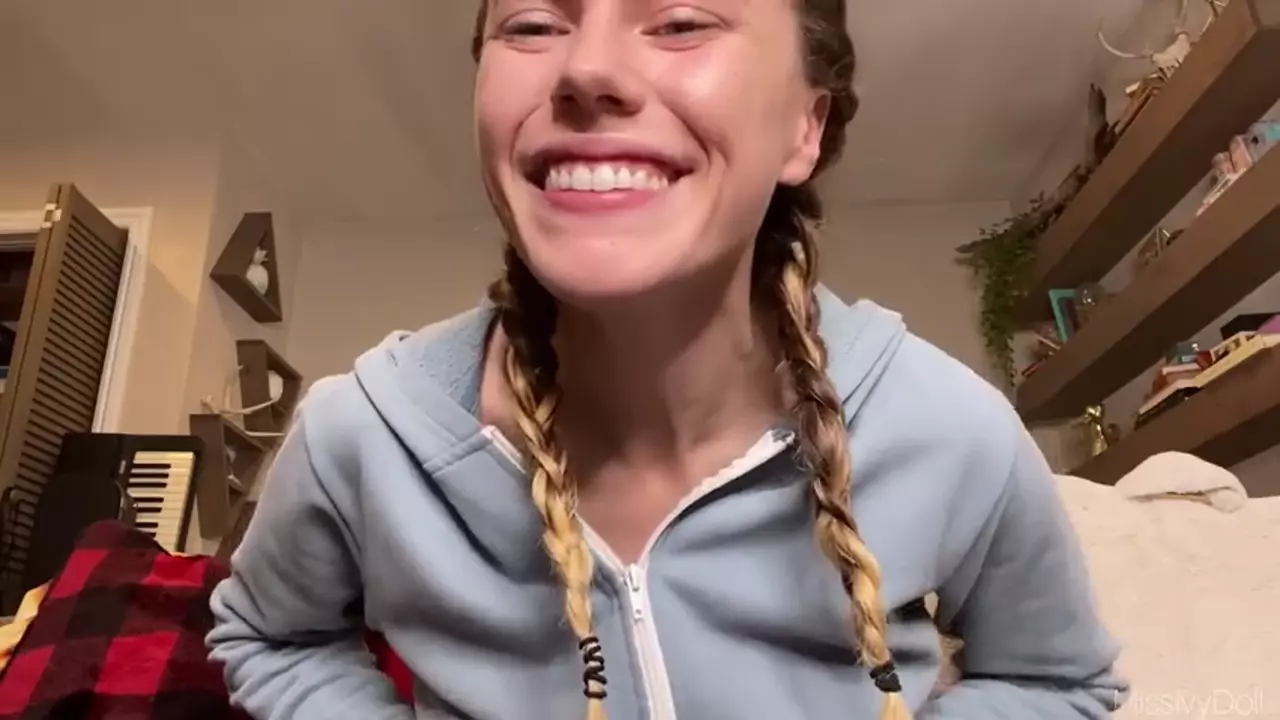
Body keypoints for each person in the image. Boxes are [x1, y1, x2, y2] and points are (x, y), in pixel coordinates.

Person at [206, 1, 1128, 718]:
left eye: (682, 20)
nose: (587, 69)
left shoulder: (951, 429)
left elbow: (1058, 682)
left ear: (804, 128)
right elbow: (270, 637)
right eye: (532, 24)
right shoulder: (358, 438)